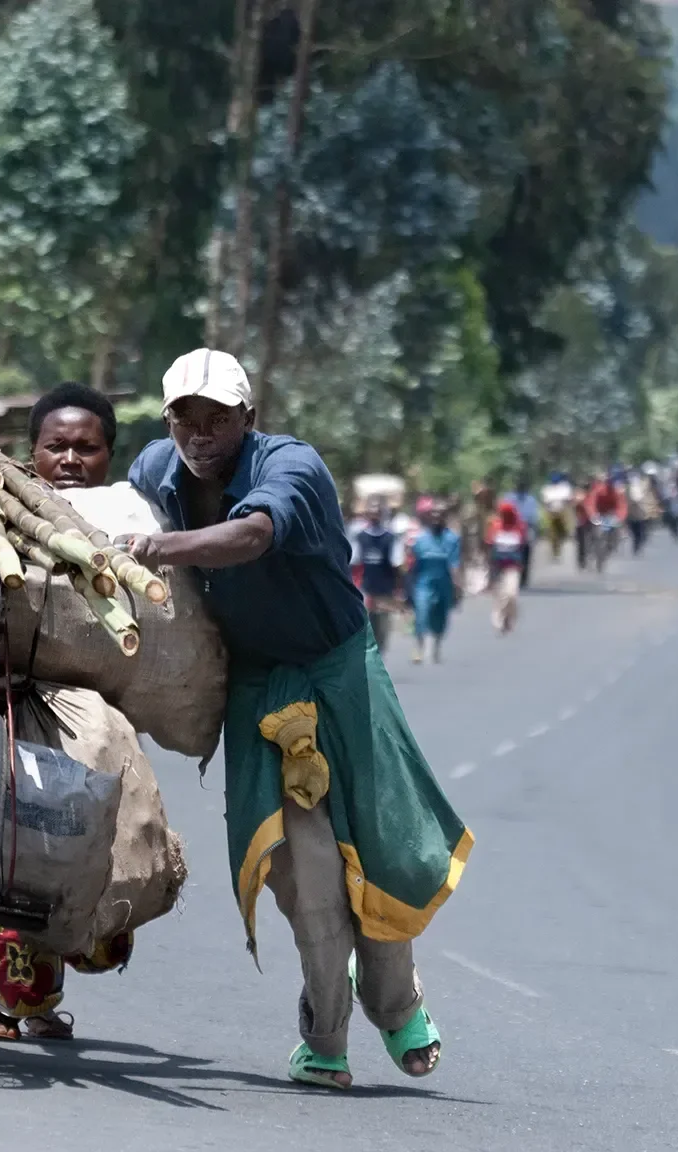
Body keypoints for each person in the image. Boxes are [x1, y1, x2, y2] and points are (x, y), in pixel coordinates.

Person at [123, 348, 467, 1090]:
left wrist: (161, 545)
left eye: (218, 417)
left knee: (379, 853)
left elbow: (250, 538)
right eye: (186, 417)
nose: (201, 433)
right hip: (257, 687)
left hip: (340, 669)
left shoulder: (292, 467)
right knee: (304, 870)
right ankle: (326, 1036)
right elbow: (110, 505)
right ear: (168, 421)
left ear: (248, 418)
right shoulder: (156, 470)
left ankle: (397, 999)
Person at [0, 381, 126, 1044]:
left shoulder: (129, 520)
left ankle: (34, 994)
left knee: (70, 838)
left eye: (86, 447)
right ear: (31, 452)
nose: (70, 458)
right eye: (57, 445)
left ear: (109, 455)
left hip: (82, 705)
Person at [407, 500, 461, 664]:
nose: (437, 518)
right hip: (424, 583)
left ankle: (436, 646)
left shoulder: (452, 539)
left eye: (441, 515)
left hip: (444, 583)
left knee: (440, 617)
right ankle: (419, 647)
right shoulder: (421, 540)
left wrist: (458, 587)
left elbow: (455, 565)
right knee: (421, 614)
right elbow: (412, 564)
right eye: (434, 515)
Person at [354, 499, 403, 653]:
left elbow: (397, 564)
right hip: (365, 589)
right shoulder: (360, 537)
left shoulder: (391, 538)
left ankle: (379, 657)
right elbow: (354, 562)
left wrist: (399, 589)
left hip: (385, 591)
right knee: (366, 627)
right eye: (371, 512)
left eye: (377, 512)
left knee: (382, 629)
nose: (374, 515)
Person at [485, 500, 527, 635]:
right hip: (498, 567)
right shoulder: (495, 527)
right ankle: (498, 618)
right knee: (500, 595)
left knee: (511, 594)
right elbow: (489, 545)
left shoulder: (520, 527)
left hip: (513, 567)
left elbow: (523, 546)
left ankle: (511, 618)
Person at [500, 480, 539, 588]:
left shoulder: (530, 499)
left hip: (525, 528)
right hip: (511, 529)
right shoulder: (509, 498)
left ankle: (523, 577)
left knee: (526, 553)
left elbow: (534, 517)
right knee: (507, 552)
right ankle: (509, 574)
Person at [540, 472, 575, 562]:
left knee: (563, 532)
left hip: (562, 512)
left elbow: (568, 500)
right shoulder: (547, 489)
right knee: (552, 534)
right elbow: (545, 502)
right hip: (551, 513)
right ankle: (555, 553)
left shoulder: (564, 488)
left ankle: (568, 533)